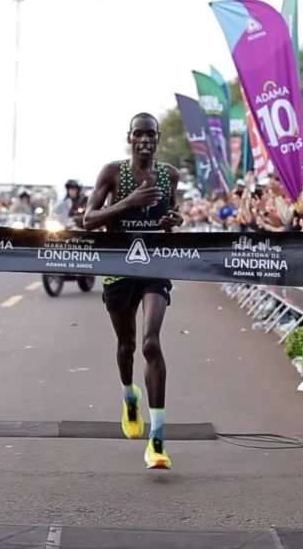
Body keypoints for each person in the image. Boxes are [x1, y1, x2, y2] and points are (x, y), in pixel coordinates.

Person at [83, 112, 182, 469]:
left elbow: (173, 216)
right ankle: (129, 397)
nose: (145, 139)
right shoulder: (112, 173)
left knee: (150, 342)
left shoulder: (170, 175)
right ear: (129, 137)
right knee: (126, 346)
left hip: (155, 266)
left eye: (150, 134)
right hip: (118, 269)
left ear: (157, 138)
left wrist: (174, 221)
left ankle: (157, 441)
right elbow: (89, 220)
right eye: (138, 133)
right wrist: (128, 203)